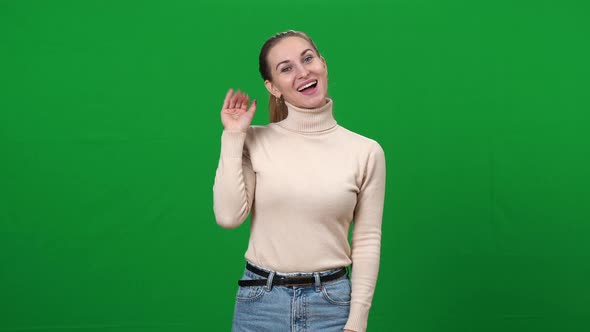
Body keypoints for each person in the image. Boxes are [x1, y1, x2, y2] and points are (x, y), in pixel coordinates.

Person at [213, 30, 386, 332]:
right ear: (273, 87)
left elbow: (367, 240)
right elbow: (228, 217)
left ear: (323, 64)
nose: (303, 72)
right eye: (286, 68)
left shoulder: (365, 151)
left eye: (308, 59)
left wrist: (357, 320)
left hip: (332, 305)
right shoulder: (253, 140)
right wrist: (233, 135)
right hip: (260, 304)